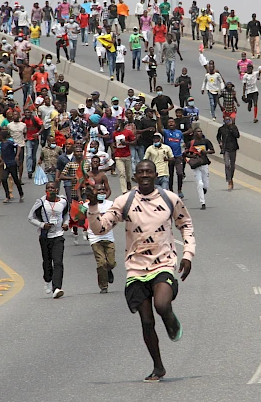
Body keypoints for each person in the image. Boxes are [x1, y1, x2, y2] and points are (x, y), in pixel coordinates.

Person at [83, 159, 195, 383]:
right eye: (140, 172)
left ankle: (170, 319)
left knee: (162, 305)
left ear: (155, 175)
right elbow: (100, 228)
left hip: (163, 263)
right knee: (146, 321)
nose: (144, 175)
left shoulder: (169, 199)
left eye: (148, 172)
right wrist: (93, 206)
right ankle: (158, 366)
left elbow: (186, 225)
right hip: (136, 268)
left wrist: (188, 254)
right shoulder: (125, 201)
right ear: (135, 177)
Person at [28, 181, 70, 299]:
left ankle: (57, 288)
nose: (51, 190)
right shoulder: (41, 202)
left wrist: (66, 223)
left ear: (57, 190)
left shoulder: (63, 201)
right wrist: (42, 225)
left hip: (58, 235)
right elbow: (30, 217)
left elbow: (66, 215)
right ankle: (47, 280)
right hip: (45, 236)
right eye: (48, 188)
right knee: (47, 262)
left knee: (58, 262)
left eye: (53, 188)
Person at [87, 183, 117, 294]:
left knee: (111, 262)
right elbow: (81, 219)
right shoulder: (87, 205)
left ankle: (108, 270)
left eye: (103, 190)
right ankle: (103, 286)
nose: (101, 193)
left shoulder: (111, 204)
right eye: (98, 191)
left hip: (109, 237)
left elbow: (116, 218)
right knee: (101, 263)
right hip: (95, 238)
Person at [185, 128, 215, 210]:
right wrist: (193, 156)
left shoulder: (206, 141)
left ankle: (204, 190)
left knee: (205, 184)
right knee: (199, 183)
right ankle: (203, 202)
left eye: (201, 131)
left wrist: (206, 152)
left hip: (204, 164)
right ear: (194, 133)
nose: (200, 133)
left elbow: (213, 151)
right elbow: (186, 154)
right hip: (196, 165)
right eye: (198, 131)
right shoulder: (191, 143)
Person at [112, 119, 136, 194]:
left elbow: (134, 142)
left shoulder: (128, 132)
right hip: (118, 156)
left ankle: (128, 181)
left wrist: (127, 143)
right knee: (122, 173)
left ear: (120, 124)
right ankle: (124, 191)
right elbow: (113, 142)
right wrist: (114, 146)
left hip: (127, 155)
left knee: (128, 173)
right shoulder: (115, 133)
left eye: (116, 123)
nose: (114, 125)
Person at [217, 117, 240, 190]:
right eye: (226, 120)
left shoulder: (234, 127)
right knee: (227, 164)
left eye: (229, 120)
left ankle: (231, 178)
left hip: (233, 148)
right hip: (225, 148)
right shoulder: (221, 129)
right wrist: (220, 142)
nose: (228, 121)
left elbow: (237, 135)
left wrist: (231, 128)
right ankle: (229, 181)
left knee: (232, 165)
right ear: (224, 121)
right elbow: (218, 137)